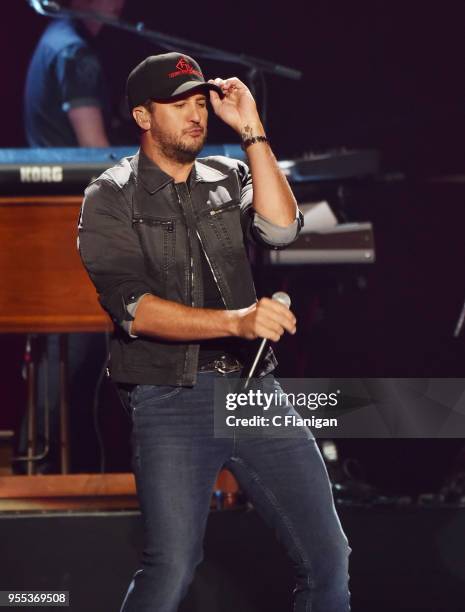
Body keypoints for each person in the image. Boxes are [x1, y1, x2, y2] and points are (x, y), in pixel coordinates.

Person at [78, 52, 350, 611]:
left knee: (329, 558)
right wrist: (239, 320)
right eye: (179, 104)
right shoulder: (110, 195)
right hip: (169, 396)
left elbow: (279, 229)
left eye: (201, 102)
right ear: (143, 116)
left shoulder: (228, 174)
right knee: (172, 565)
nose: (196, 115)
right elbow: (133, 309)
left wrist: (251, 128)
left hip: (255, 391)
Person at [18, 0, 125, 473]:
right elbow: (95, 153)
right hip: (72, 222)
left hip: (52, 221)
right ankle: (45, 473)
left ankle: (40, 463)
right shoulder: (74, 53)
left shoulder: (54, 42)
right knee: (77, 354)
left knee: (64, 356)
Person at [24, 0, 125, 147]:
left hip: (51, 165)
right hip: (71, 167)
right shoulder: (74, 52)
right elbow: (94, 146)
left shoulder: (57, 33)